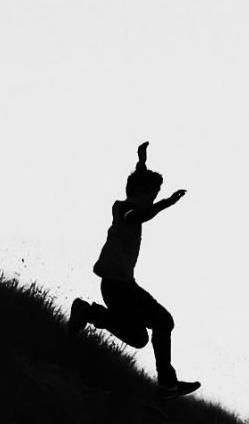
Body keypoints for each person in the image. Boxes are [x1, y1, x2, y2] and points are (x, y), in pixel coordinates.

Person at [69, 141, 197, 395]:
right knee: (164, 321)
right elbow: (139, 214)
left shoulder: (131, 205)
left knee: (139, 338)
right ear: (141, 192)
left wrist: (142, 162)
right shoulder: (126, 209)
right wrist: (166, 203)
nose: (153, 200)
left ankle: (88, 312)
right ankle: (167, 383)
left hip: (117, 287)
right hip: (119, 287)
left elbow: (139, 190)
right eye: (152, 195)